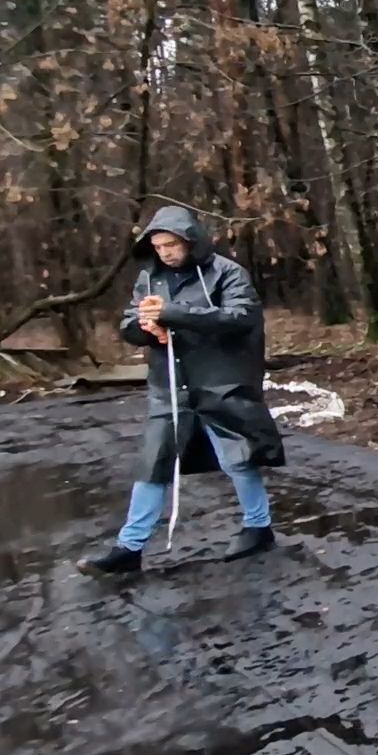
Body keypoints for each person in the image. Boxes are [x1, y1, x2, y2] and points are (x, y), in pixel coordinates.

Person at [77, 206, 285, 576]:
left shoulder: (226, 273)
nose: (166, 252)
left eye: (172, 244)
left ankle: (258, 525)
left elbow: (240, 318)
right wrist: (146, 327)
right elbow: (129, 322)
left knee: (236, 458)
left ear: (190, 240)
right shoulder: (150, 278)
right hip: (170, 385)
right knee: (153, 463)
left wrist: (171, 313)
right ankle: (129, 546)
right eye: (158, 247)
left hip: (221, 381)